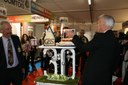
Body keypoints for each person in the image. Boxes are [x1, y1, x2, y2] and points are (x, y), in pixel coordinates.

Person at [72, 14, 121, 85]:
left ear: (103, 24)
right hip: (105, 76)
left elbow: (83, 47)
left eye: (98, 23)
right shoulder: (114, 40)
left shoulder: (101, 37)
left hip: (94, 76)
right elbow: (116, 61)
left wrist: (74, 36)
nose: (97, 25)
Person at [0, 21, 25, 85]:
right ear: (1, 30)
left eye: (10, 28)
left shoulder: (16, 38)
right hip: (4, 72)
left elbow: (20, 53)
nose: (10, 31)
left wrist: (22, 67)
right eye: (7, 29)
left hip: (16, 70)